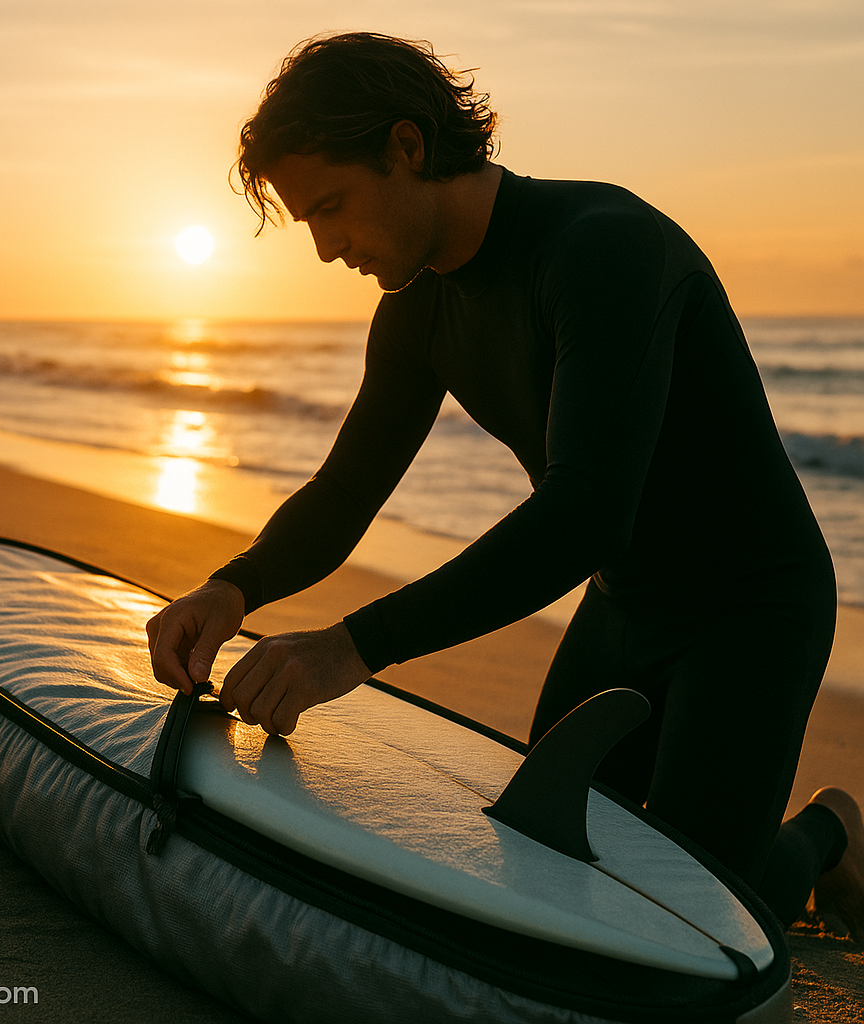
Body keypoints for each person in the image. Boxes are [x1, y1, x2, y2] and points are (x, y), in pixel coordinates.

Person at [146, 31, 863, 937]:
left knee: (701, 921)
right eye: (310, 223)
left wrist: (350, 647)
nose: (328, 248)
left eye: (332, 206)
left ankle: (830, 831)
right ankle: (755, 832)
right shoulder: (415, 308)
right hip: (624, 609)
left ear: (405, 147)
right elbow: (345, 493)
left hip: (752, 609)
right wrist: (233, 585)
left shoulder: (605, 250)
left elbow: (587, 513)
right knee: (548, 865)